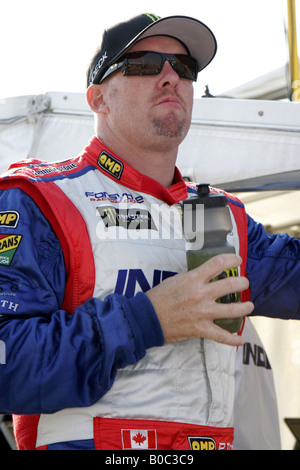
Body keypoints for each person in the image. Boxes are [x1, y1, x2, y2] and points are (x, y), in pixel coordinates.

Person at [0, 13, 299, 451]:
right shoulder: (41, 199)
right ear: (98, 98)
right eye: (143, 63)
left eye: (183, 68)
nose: (169, 77)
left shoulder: (222, 215)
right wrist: (147, 320)